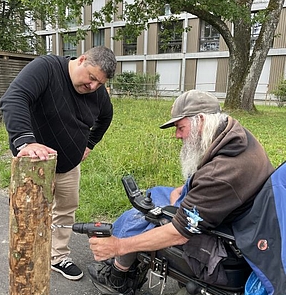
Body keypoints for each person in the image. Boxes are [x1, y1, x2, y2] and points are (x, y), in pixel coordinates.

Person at [87, 89, 275, 295]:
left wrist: (118, 246)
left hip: (228, 236)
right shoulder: (236, 135)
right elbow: (206, 183)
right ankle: (123, 264)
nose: (177, 135)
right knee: (158, 193)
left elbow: (179, 233)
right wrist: (187, 189)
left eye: (180, 127)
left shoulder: (220, 174)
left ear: (201, 120)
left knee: (147, 212)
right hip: (244, 218)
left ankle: (119, 276)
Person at [0, 46, 117, 281]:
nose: (93, 87)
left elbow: (106, 116)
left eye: (99, 83)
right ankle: (25, 256)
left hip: (69, 164)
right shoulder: (47, 68)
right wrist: (25, 141)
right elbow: (14, 97)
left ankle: (58, 256)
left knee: (65, 210)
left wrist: (90, 144)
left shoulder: (97, 91)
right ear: (82, 59)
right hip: (32, 163)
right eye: (92, 78)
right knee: (28, 212)